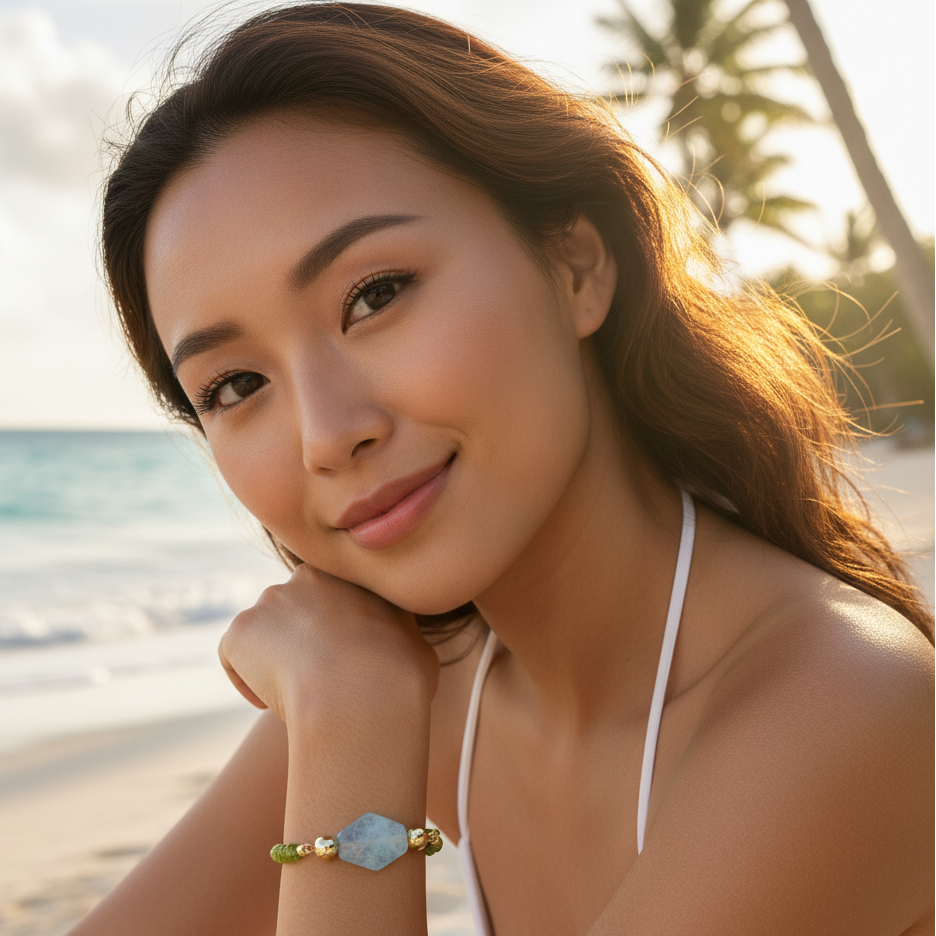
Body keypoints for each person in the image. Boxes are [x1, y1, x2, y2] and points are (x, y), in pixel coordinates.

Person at [80, 3, 933, 934]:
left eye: (375, 295)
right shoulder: (443, 673)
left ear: (575, 264)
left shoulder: (841, 708)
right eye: (236, 383)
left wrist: (349, 727)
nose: (327, 435)